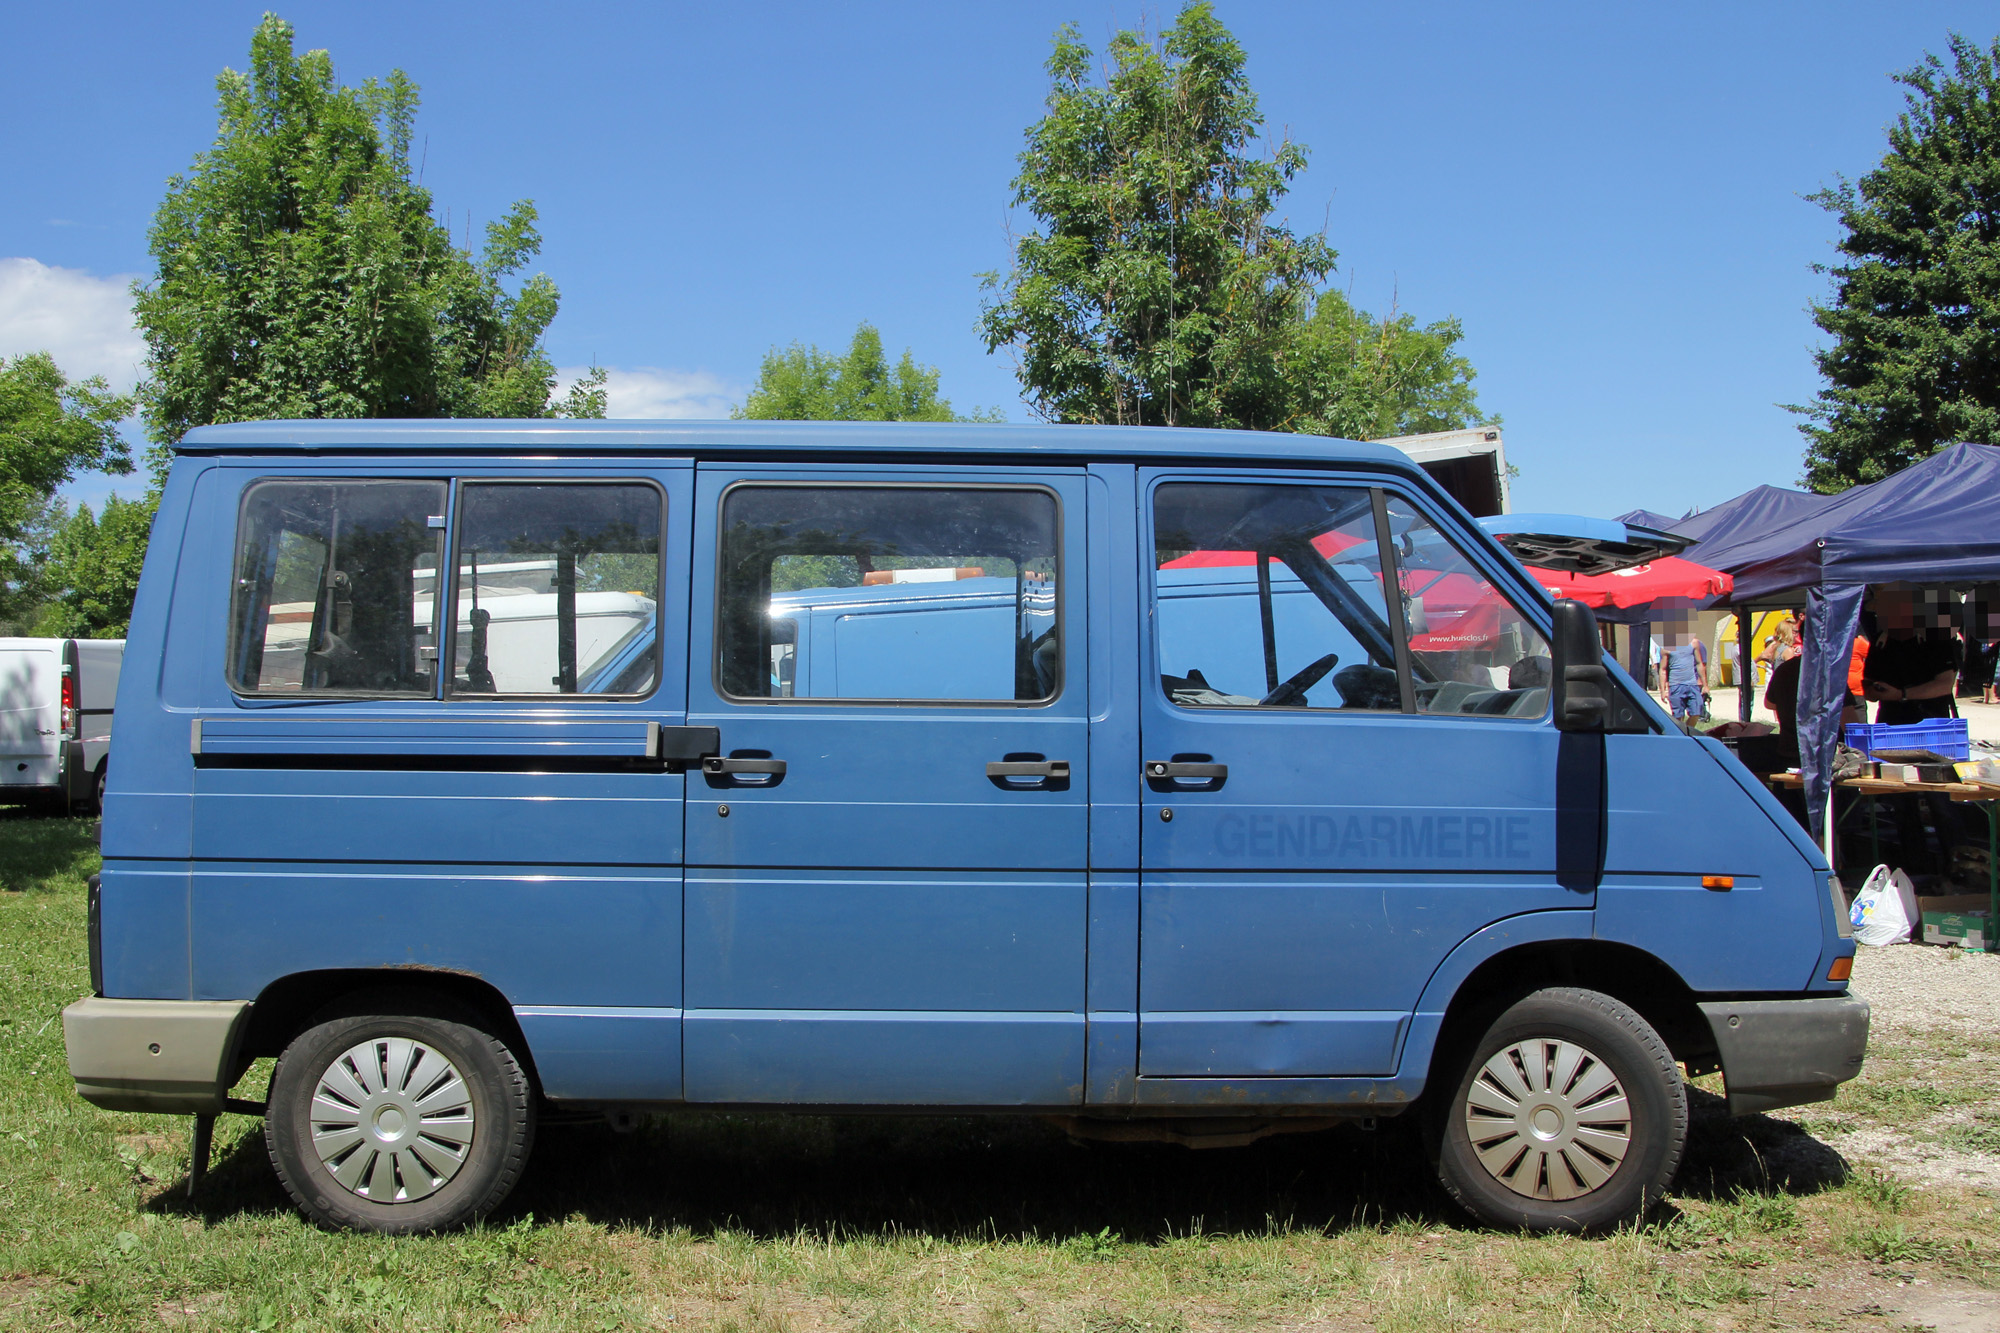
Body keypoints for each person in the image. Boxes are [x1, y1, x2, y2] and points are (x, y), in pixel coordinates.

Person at [1862, 589, 1961, 725]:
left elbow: (1944, 685)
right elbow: (1868, 688)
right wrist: (1876, 691)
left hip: (1930, 723)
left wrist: (1901, 694)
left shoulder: (1935, 638)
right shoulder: (1881, 642)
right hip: (1891, 723)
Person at [1660, 634, 1707, 723]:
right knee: (1678, 716)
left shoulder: (1694, 643)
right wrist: (1663, 690)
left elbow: (1699, 663)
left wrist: (1705, 684)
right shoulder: (1665, 647)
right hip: (1675, 685)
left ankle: (1687, 733)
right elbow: (1663, 669)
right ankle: (1681, 734)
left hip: (1692, 684)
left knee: (1696, 713)